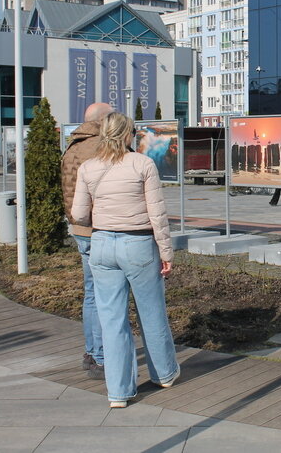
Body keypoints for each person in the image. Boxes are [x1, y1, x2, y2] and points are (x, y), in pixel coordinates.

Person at [71, 112, 179, 409]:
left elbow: (79, 214)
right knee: (152, 313)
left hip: (102, 245)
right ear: (128, 134)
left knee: (112, 320)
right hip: (139, 244)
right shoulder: (142, 164)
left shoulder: (88, 167)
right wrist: (166, 253)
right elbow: (157, 214)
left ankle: (118, 392)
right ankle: (165, 374)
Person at [61, 101, 112, 379]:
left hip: (80, 229)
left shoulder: (73, 145)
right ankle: (103, 356)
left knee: (91, 293)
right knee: (107, 295)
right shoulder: (101, 147)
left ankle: (92, 351)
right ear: (104, 121)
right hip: (101, 228)